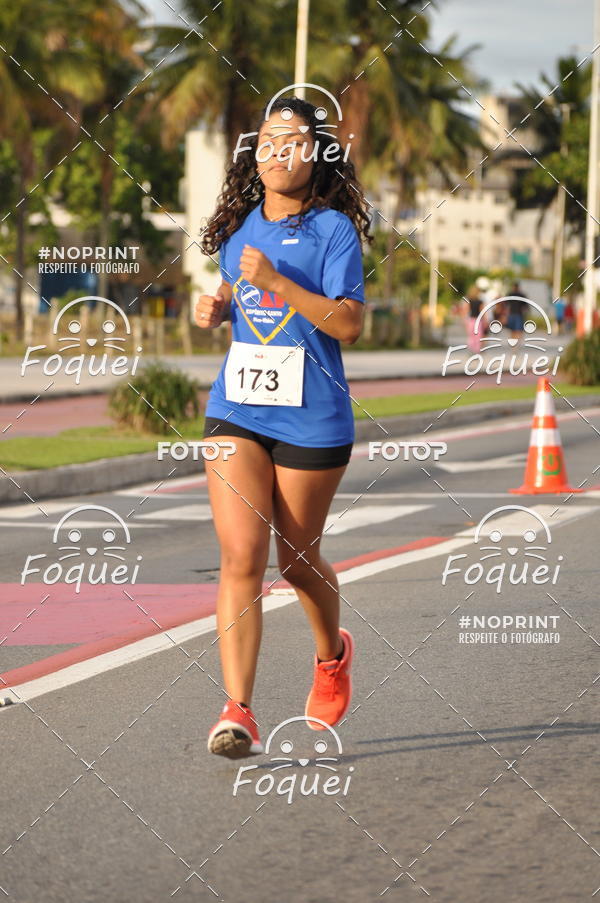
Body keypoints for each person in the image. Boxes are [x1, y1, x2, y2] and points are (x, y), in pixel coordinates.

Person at [195, 96, 371, 759]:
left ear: (317, 154)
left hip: (313, 415)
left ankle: (331, 653)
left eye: (294, 141)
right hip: (238, 408)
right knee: (241, 556)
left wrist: (279, 282)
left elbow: (349, 323)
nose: (278, 151)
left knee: (297, 563)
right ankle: (238, 709)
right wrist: (213, 309)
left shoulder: (333, 232)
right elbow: (239, 306)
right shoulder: (240, 230)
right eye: (268, 140)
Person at [463, 284, 485, 352]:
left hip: (471, 320)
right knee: (478, 336)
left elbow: (466, 311)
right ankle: (477, 350)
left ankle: (471, 349)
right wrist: (485, 320)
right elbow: (483, 312)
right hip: (478, 320)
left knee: (471, 335)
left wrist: (465, 320)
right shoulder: (480, 301)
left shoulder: (469, 300)